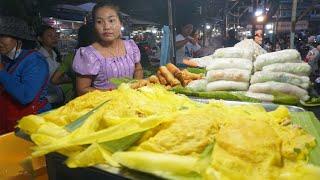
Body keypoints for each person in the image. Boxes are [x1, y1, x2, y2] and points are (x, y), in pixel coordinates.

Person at [72, 2, 143, 96]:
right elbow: (82, 89)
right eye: (99, 22)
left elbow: (138, 69)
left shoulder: (131, 46)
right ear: (94, 26)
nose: (106, 27)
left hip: (131, 102)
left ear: (120, 23)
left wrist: (136, 85)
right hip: (105, 107)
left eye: (111, 20)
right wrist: (116, 94)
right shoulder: (88, 54)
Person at [0, 16, 50, 134]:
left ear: (19, 40)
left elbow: (25, 96)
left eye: (3, 36)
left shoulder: (35, 61)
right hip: (10, 120)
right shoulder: (6, 59)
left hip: (31, 123)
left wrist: (1, 72)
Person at [51, 23, 96, 103]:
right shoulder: (101, 56)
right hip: (97, 99)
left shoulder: (72, 56)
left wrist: (73, 80)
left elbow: (54, 80)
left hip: (76, 99)